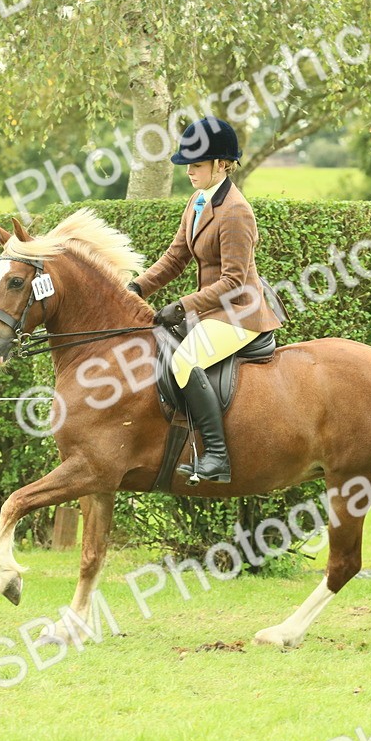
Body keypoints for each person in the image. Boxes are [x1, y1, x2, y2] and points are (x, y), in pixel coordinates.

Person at [127, 117, 283, 483]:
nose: (190, 172)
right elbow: (175, 257)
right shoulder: (198, 201)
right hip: (212, 312)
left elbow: (233, 281)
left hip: (240, 313)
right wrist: (136, 288)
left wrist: (181, 306)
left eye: (196, 165)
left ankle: (216, 456)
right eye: (188, 165)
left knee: (185, 361)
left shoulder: (236, 212)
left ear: (222, 164)